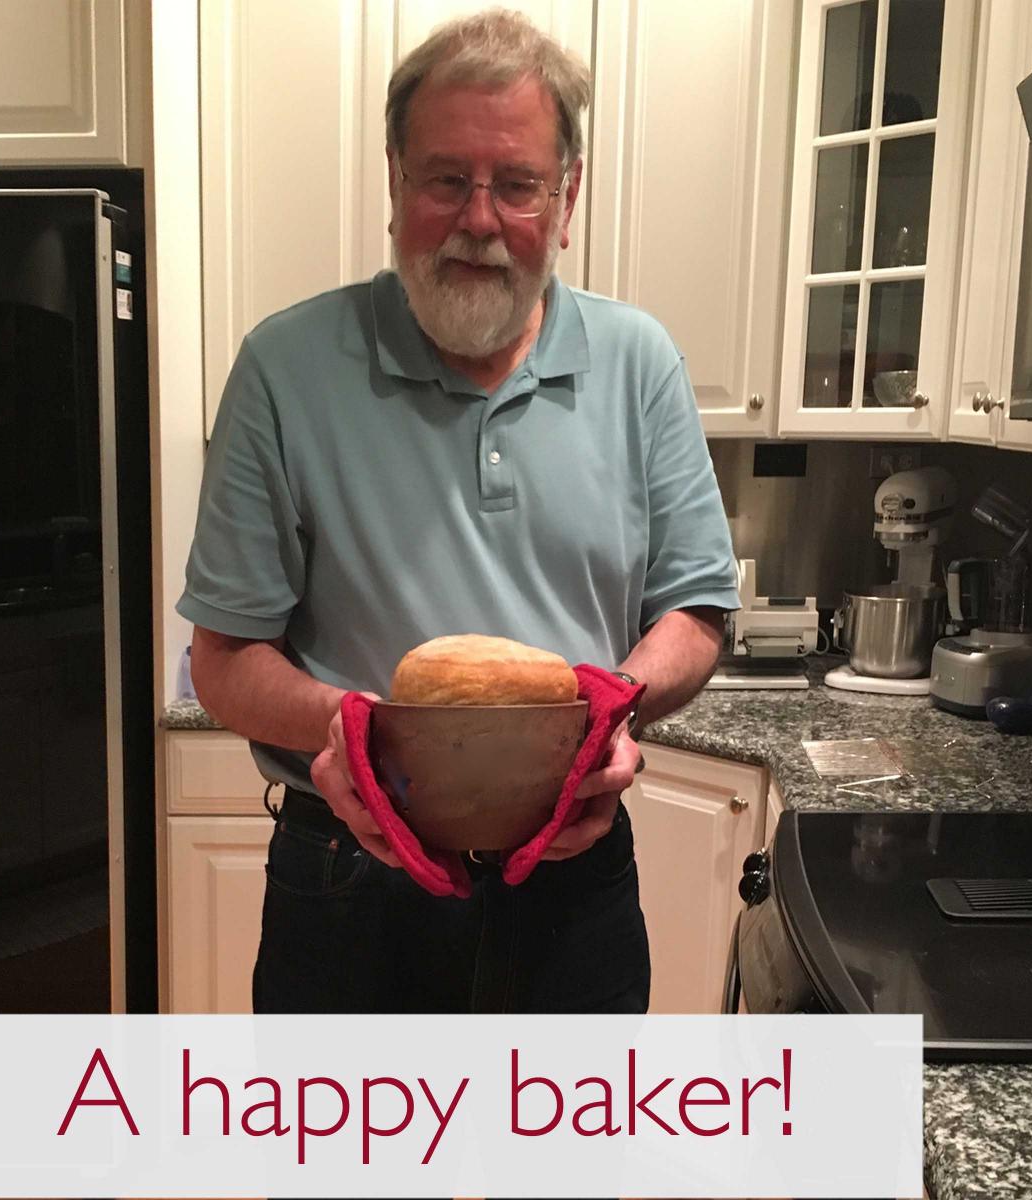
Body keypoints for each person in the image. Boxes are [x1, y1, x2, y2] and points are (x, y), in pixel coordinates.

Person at [178, 9, 738, 1017]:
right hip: (348, 884)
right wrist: (353, 729)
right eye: (446, 179)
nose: (479, 219)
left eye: (517, 183)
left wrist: (613, 706)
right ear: (396, 185)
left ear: (566, 199)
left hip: (574, 881)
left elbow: (695, 613)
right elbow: (222, 658)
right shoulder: (284, 368)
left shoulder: (640, 364)